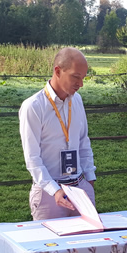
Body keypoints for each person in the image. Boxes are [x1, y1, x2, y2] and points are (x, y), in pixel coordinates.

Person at [19, 47, 96, 221]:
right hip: (49, 192)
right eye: (76, 77)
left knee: (86, 246)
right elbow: (32, 158)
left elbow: (83, 142)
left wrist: (89, 181)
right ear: (58, 71)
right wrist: (55, 190)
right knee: (51, 247)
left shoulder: (77, 100)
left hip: (79, 188)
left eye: (83, 78)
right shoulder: (33, 106)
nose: (81, 84)